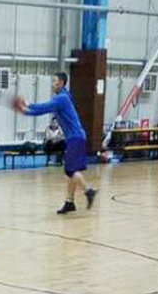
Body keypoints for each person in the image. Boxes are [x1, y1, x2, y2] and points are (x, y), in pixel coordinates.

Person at [13, 72, 97, 214]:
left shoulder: (62, 98)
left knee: (70, 171)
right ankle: (69, 202)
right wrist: (25, 111)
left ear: (62, 83)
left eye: (54, 81)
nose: (52, 84)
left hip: (75, 138)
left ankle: (89, 191)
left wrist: (26, 105)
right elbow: (43, 110)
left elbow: (43, 107)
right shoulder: (62, 97)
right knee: (71, 172)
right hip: (75, 138)